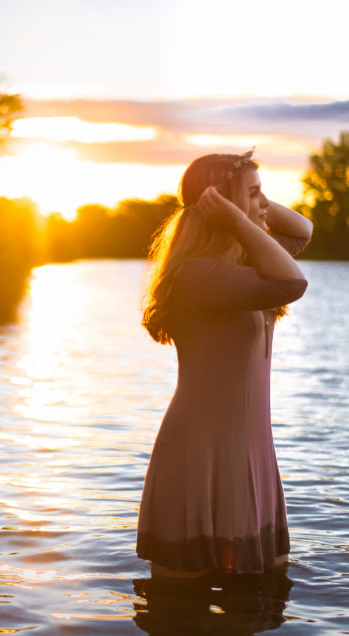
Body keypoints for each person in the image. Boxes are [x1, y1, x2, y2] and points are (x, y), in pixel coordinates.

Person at [137, 150, 313, 577]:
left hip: (249, 453)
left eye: (263, 193)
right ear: (224, 205)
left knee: (259, 607)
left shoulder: (244, 264)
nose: (265, 204)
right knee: (181, 616)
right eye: (253, 194)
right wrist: (237, 217)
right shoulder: (200, 275)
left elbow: (303, 231)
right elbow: (293, 283)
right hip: (201, 454)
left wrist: (250, 205)